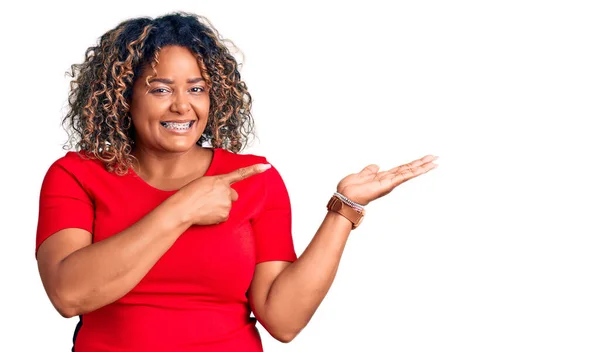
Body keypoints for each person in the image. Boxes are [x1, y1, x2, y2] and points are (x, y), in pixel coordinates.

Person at [35, 12, 438, 352]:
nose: (182, 105)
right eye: (160, 89)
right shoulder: (76, 175)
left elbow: (283, 321)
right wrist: (182, 208)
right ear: (124, 96)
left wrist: (345, 208)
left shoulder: (255, 179)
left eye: (197, 89)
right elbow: (69, 295)